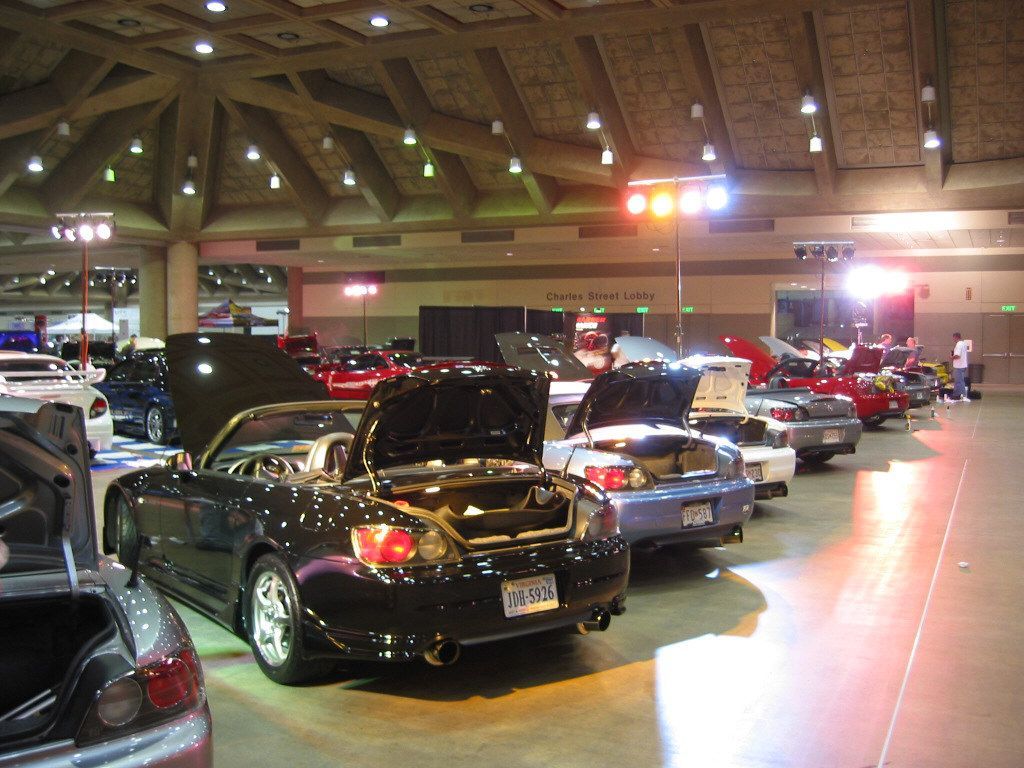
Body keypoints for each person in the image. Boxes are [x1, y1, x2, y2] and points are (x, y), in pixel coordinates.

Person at [950, 331, 969, 402]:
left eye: (953, 338)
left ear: (956, 337)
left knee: (959, 381)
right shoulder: (964, 344)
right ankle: (958, 394)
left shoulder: (959, 344)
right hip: (963, 365)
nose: (953, 340)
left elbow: (957, 355)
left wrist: (951, 357)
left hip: (959, 366)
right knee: (960, 381)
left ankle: (959, 395)